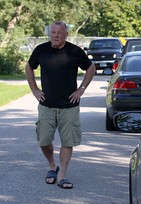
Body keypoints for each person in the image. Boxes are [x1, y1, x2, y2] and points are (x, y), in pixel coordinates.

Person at [25, 21, 96, 189]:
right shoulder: (41, 50)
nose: (55, 35)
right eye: (53, 32)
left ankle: (62, 175)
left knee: (67, 141)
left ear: (66, 34)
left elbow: (91, 68)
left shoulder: (74, 51)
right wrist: (34, 89)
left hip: (69, 106)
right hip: (46, 104)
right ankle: (52, 166)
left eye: (59, 33)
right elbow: (29, 67)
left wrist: (81, 89)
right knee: (43, 139)